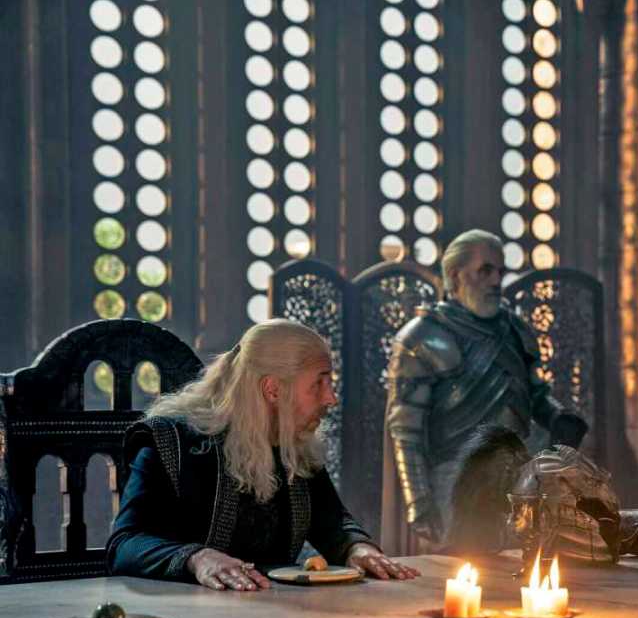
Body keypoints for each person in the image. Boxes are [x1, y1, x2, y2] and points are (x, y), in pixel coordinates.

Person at [107, 319, 419, 590]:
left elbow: (332, 524)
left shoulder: (295, 444)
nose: (331, 398)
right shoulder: (172, 441)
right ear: (272, 389)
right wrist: (197, 558)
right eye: (319, 383)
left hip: (274, 614)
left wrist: (358, 549)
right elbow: (125, 544)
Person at [384, 229, 587, 550]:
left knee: (521, 568)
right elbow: (406, 430)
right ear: (455, 274)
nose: (496, 281)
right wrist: (418, 501)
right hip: (455, 480)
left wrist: (557, 417)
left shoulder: (515, 330)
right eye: (485, 270)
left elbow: (535, 395)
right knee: (462, 570)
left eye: (500, 271)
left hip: (520, 476)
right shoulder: (424, 337)